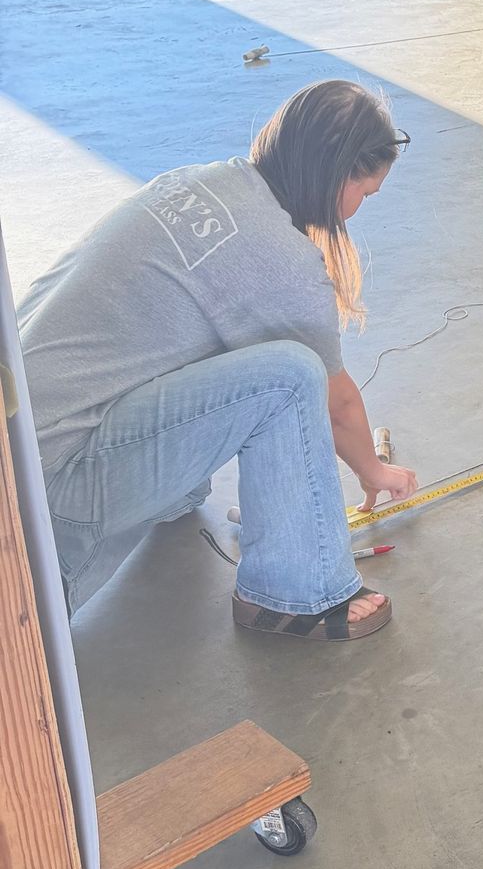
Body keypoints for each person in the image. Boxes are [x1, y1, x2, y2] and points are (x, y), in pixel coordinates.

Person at [19, 80, 418, 638]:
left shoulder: (191, 183)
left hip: (20, 446)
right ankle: (295, 593)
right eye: (365, 193)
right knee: (290, 376)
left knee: (190, 326)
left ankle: (173, 492)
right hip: (51, 499)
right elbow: (338, 404)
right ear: (336, 176)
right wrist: (374, 472)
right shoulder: (282, 262)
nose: (359, 209)